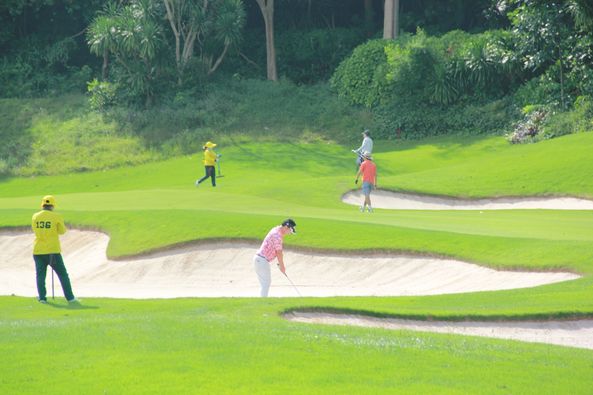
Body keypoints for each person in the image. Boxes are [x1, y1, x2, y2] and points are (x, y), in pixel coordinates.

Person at [32, 195, 78, 304]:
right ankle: (70, 298)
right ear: (52, 205)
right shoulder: (56, 216)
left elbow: (34, 229)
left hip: (38, 250)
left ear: (42, 205)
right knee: (62, 274)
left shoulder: (35, 216)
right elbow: (62, 231)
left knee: (40, 275)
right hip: (52, 251)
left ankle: (42, 298)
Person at [253, 219, 297, 297]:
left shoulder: (276, 230)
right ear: (286, 227)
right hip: (262, 260)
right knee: (266, 283)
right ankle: (263, 303)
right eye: (290, 231)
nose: (289, 233)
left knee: (265, 284)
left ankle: (262, 301)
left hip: (259, 260)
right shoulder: (277, 236)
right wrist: (282, 266)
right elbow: (279, 253)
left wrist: (280, 264)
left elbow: (276, 251)